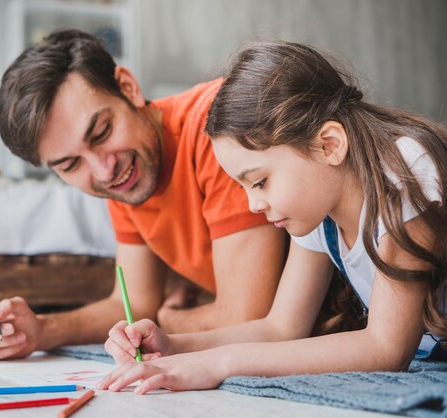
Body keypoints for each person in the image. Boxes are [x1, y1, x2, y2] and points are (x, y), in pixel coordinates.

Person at [99, 41, 447, 394]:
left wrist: (219, 363)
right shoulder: (318, 212)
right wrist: (176, 346)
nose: (253, 205)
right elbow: (280, 327)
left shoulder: (404, 171)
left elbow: (386, 348)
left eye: (260, 182)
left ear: (328, 144)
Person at [0, 30, 287, 360]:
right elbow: (135, 302)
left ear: (128, 87)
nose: (104, 171)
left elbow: (246, 319)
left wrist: (169, 319)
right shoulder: (125, 175)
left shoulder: (218, 129)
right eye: (70, 164)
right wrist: (38, 330)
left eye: (102, 132)